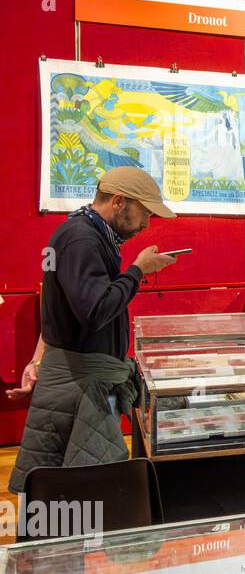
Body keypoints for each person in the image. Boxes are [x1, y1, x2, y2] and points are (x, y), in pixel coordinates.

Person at [9, 167, 177, 493]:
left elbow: (59, 311)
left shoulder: (85, 236)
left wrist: (37, 361)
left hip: (82, 382)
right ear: (118, 201)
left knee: (66, 495)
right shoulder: (82, 239)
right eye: (144, 214)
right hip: (80, 388)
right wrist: (137, 270)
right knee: (77, 496)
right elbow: (95, 311)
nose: (146, 225)